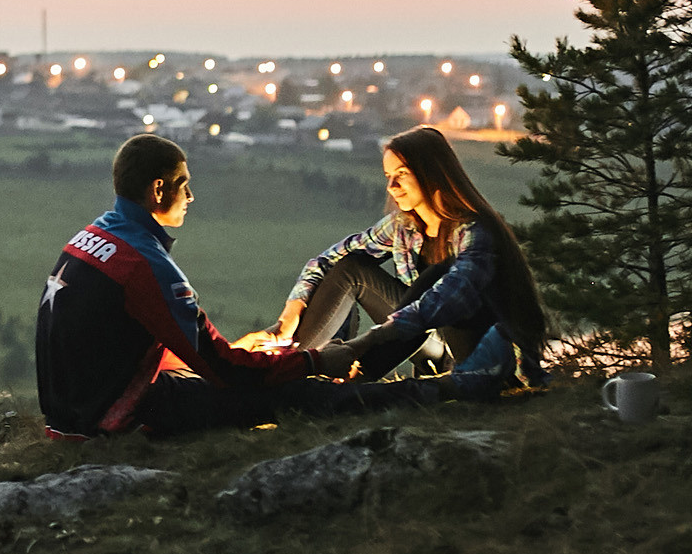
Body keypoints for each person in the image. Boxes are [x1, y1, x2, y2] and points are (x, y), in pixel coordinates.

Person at [37, 133, 364, 438]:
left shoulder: (91, 236)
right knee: (283, 392)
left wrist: (233, 350)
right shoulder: (144, 263)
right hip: (113, 419)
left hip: (69, 416)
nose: (190, 197)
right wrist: (315, 362)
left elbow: (115, 344)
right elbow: (225, 371)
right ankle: (389, 398)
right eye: (184, 184)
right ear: (158, 189)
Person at [265, 125, 551, 402]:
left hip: (481, 354)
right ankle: (293, 369)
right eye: (388, 176)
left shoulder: (474, 231)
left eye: (401, 174)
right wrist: (290, 315)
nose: (392, 187)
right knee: (351, 269)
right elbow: (327, 260)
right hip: (426, 341)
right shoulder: (403, 227)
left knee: (435, 277)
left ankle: (348, 380)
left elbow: (452, 297)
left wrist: (364, 343)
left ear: (431, 173)